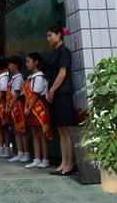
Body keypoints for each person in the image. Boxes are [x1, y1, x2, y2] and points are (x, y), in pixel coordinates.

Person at [46, 25, 77, 176]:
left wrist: (51, 90)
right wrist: (49, 91)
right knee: (60, 129)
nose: (48, 38)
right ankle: (63, 163)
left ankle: (70, 164)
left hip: (63, 94)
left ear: (59, 35)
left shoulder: (64, 52)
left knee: (66, 130)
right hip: (55, 95)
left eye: (50, 35)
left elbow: (62, 74)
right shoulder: (54, 53)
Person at [23, 52, 51, 169]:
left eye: (28, 61)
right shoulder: (30, 77)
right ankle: (37, 159)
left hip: (39, 109)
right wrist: (26, 107)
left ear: (36, 62)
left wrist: (29, 108)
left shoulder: (39, 77)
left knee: (42, 134)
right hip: (30, 109)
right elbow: (27, 95)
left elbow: (35, 94)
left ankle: (45, 159)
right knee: (34, 134)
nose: (26, 64)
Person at [6, 55, 30, 163]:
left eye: (11, 64)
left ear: (16, 65)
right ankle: (20, 153)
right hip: (12, 106)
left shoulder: (19, 78)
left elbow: (16, 94)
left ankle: (26, 153)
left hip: (18, 106)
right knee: (16, 130)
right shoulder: (13, 78)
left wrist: (10, 106)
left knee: (21, 130)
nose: (9, 66)